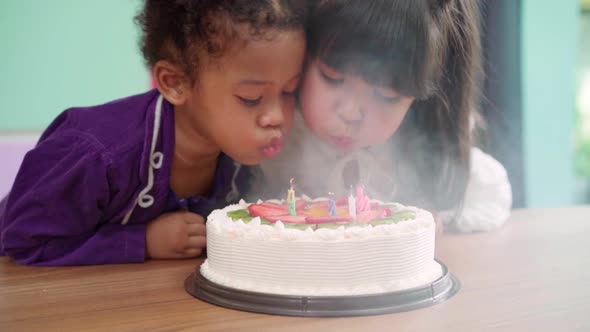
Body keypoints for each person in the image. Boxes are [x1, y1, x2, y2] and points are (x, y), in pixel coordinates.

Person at [0, 0, 307, 265]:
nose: (277, 117)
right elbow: (23, 241)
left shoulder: (245, 159)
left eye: (290, 91)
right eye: (251, 98)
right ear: (175, 83)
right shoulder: (95, 154)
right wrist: (142, 241)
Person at [249, 0, 512, 232]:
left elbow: (491, 195)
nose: (351, 113)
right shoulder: (267, 133)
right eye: (332, 78)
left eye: (386, 96)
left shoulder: (422, 148)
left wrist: (435, 218)